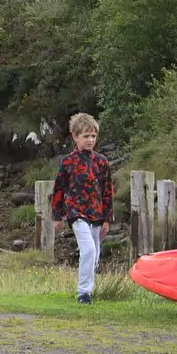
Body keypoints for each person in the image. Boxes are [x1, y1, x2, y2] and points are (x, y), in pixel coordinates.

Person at [50, 112, 114, 304]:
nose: (90, 140)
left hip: (97, 213)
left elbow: (107, 191)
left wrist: (107, 219)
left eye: (93, 136)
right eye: (86, 136)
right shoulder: (68, 162)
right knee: (88, 250)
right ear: (75, 137)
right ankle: (83, 292)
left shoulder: (101, 161)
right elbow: (59, 188)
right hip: (76, 212)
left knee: (94, 255)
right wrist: (57, 215)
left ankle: (89, 289)